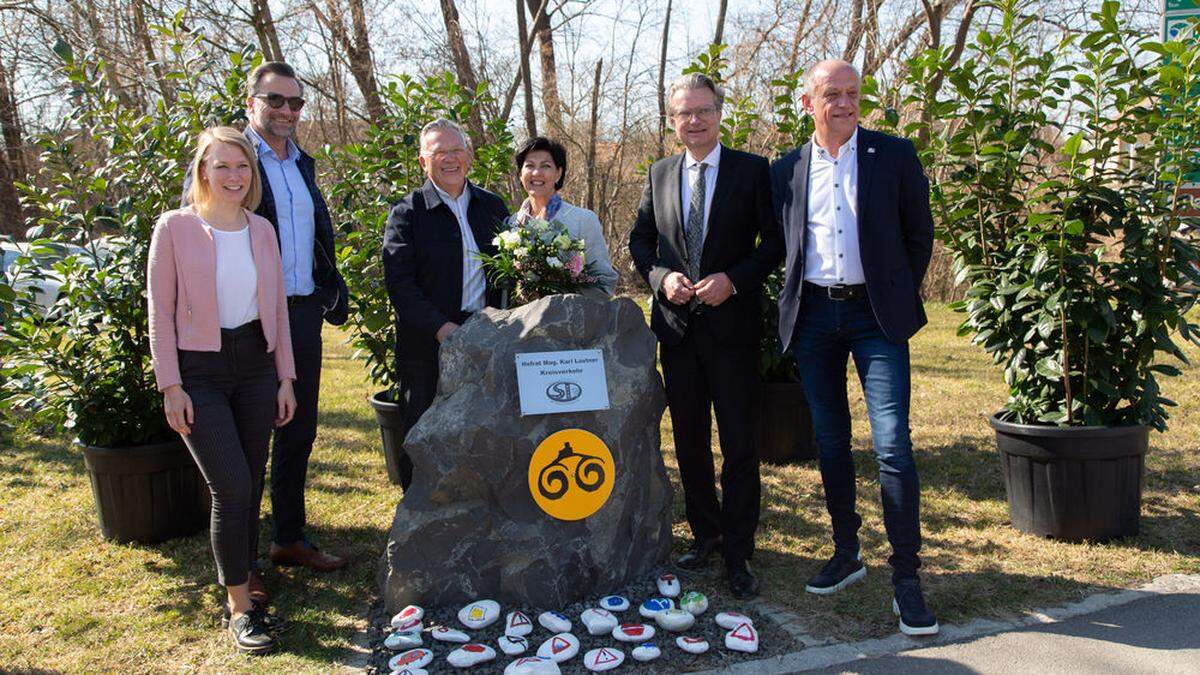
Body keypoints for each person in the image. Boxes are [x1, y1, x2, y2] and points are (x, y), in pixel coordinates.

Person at [772, 60, 937, 635]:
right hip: (815, 316)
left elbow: (920, 235)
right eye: (831, 94)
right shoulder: (787, 169)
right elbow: (781, 243)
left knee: (892, 443)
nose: (843, 103)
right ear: (807, 102)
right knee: (830, 440)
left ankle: (907, 577)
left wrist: (893, 289)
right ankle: (847, 552)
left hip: (876, 317)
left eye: (852, 94)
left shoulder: (894, 156)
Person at [628, 73, 783, 600]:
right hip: (678, 333)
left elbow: (774, 242)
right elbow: (641, 239)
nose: (693, 121)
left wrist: (734, 280)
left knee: (739, 442)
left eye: (703, 111)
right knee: (690, 440)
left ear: (720, 113)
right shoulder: (659, 173)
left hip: (733, 330)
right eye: (683, 113)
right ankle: (706, 535)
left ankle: (739, 549)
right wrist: (660, 278)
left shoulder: (751, 171)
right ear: (672, 121)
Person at [149, 126, 297, 653]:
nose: (234, 177)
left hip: (256, 365)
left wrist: (285, 377)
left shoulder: (262, 230)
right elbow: (160, 314)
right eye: (223, 166)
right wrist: (171, 384)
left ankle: (244, 569)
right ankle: (239, 608)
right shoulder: (174, 228)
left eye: (242, 167)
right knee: (230, 484)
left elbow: (276, 308)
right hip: (200, 370)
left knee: (249, 482)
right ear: (203, 171)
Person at [243, 61, 348, 574]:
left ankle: (288, 536)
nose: (287, 110)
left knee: (298, 426)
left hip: (302, 311)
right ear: (251, 104)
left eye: (296, 102)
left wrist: (331, 285)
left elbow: (315, 236)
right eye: (276, 100)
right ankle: (242, 561)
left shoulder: (301, 164)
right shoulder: (233, 159)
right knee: (249, 432)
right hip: (246, 317)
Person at [381, 118, 509, 489]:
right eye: (439, 153)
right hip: (427, 346)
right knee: (423, 438)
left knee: (480, 435)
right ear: (424, 161)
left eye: (456, 150)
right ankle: (417, 524)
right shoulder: (407, 213)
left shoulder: (491, 206)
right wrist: (443, 329)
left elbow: (507, 273)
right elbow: (400, 285)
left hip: (485, 337)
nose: (450, 159)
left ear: (469, 156)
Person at [511, 136, 618, 297]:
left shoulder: (583, 220)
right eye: (529, 166)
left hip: (569, 318)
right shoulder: (511, 225)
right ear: (520, 174)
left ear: (558, 173)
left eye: (546, 166)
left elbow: (604, 283)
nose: (536, 172)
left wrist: (563, 299)